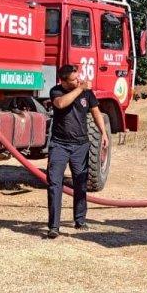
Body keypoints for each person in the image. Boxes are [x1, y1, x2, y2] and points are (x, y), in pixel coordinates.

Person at [45, 64, 109, 239]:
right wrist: (80, 88)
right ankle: (54, 227)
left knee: (81, 183)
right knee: (54, 184)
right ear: (63, 81)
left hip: (81, 145)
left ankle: (80, 220)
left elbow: (96, 112)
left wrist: (103, 133)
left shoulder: (87, 93)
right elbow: (60, 104)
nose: (79, 80)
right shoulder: (56, 91)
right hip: (59, 145)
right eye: (74, 79)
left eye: (78, 77)